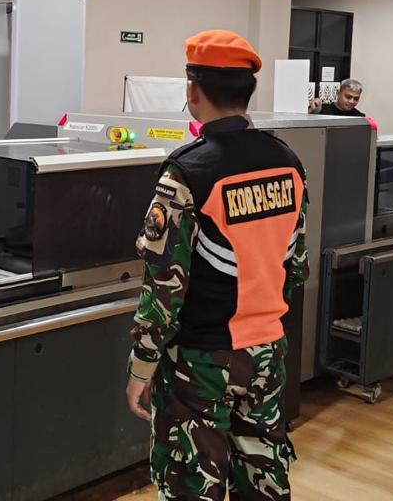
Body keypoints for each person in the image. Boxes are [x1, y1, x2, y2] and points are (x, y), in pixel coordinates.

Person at [125, 30, 308, 501]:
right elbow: (295, 266)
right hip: (268, 352)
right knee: (263, 479)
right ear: (249, 90)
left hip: (200, 359)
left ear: (193, 90)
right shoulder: (287, 162)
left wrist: (142, 367)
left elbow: (164, 287)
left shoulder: (189, 171)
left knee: (192, 483)